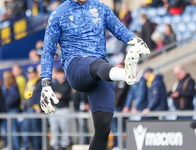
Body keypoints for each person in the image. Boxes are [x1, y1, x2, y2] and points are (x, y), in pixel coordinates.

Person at [39, 0, 150, 150]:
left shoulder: (100, 7)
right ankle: (124, 74)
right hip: (75, 66)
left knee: (103, 128)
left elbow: (119, 29)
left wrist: (134, 39)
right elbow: (48, 50)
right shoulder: (58, 13)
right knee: (98, 65)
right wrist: (46, 83)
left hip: (101, 69)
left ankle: (123, 73)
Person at [49, 68, 72, 150]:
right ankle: (54, 145)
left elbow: (70, 97)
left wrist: (62, 96)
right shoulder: (53, 85)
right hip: (55, 109)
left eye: (61, 73)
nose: (59, 75)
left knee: (64, 128)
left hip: (64, 109)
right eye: (57, 74)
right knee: (54, 128)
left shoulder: (68, 84)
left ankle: (64, 144)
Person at [111, 63, 129, 150]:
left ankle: (119, 145)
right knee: (115, 128)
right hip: (114, 107)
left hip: (118, 107)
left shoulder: (123, 80)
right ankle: (117, 144)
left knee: (118, 128)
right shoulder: (116, 80)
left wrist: (113, 104)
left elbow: (119, 95)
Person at [21, 66, 39, 150]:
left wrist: (37, 106)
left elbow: (38, 95)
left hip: (33, 109)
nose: (30, 75)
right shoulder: (29, 82)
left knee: (34, 129)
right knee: (26, 128)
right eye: (28, 73)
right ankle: (27, 145)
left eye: (32, 73)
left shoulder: (38, 81)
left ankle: (35, 147)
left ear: (35, 73)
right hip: (27, 109)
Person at [2, 71, 20, 150]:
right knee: (8, 131)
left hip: (12, 111)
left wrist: (5, 104)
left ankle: (15, 148)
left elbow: (14, 98)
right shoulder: (8, 87)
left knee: (13, 131)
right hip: (9, 111)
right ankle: (10, 146)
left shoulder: (12, 87)